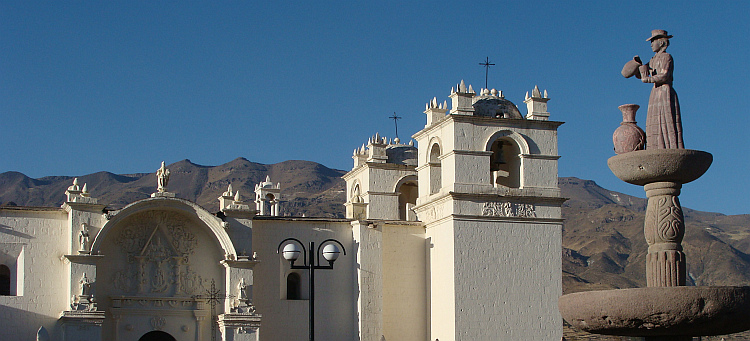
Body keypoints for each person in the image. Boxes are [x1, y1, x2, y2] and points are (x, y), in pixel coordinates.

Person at [638, 29, 684, 149]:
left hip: (664, 91)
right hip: (655, 91)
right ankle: (654, 147)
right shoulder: (653, 59)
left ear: (662, 42)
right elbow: (639, 72)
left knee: (665, 120)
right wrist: (639, 66)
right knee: (653, 123)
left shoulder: (666, 57)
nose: (651, 44)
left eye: (653, 41)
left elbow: (664, 76)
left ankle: (668, 147)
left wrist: (648, 79)